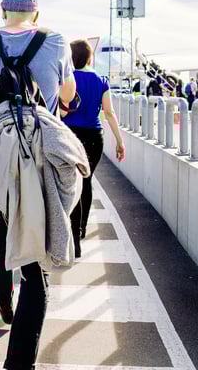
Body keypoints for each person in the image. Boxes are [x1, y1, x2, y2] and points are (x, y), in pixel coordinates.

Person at [0, 0, 78, 370]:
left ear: (2, 12)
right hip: (37, 155)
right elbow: (68, 92)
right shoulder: (56, 41)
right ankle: (19, 363)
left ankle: (1, 297)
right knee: (35, 265)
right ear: (36, 14)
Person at [62, 40, 125, 258]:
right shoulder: (101, 80)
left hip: (70, 136)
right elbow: (109, 113)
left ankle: (71, 230)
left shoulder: (68, 78)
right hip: (94, 137)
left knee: (69, 183)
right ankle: (82, 229)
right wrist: (119, 141)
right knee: (86, 182)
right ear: (90, 57)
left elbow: (59, 108)